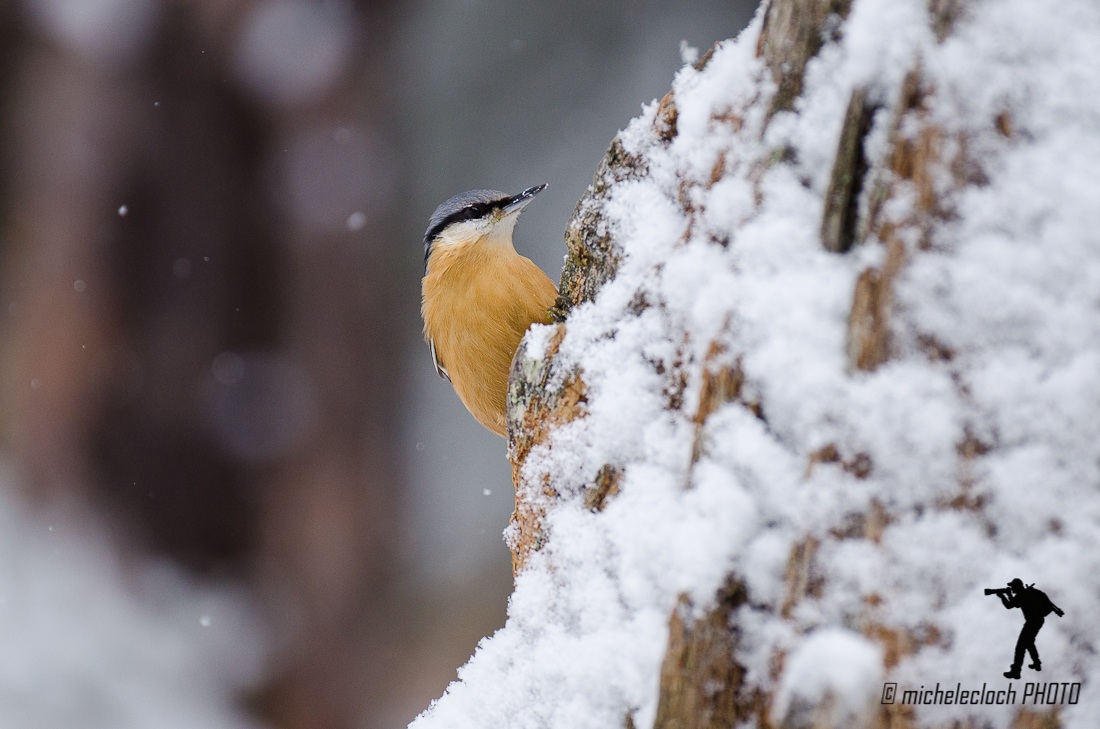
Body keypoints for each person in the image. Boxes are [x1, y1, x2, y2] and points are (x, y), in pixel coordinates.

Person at [998, 578, 1064, 679]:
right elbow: (1015, 602)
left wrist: (1002, 596)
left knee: (1020, 647)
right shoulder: (1027, 593)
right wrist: (1008, 595)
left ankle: (1016, 671)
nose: (1011, 588)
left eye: (1012, 587)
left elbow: (1009, 605)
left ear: (1017, 586)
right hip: (1037, 621)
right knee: (1028, 643)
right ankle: (1036, 663)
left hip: (1032, 622)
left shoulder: (1022, 595)